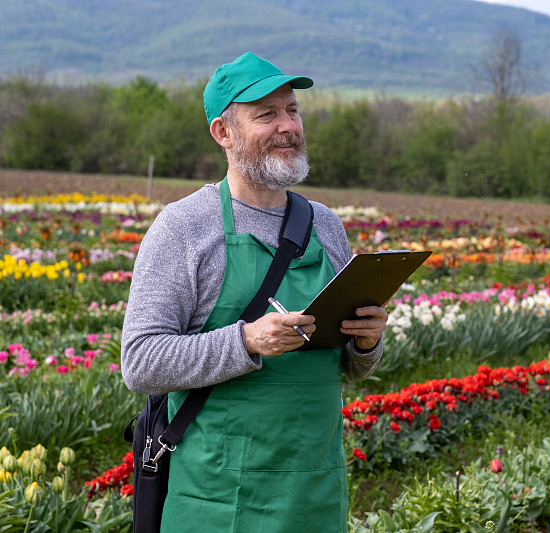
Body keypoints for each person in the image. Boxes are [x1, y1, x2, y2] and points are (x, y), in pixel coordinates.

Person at [121, 51, 388, 532]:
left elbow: (348, 368)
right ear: (224, 133)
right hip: (218, 500)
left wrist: (366, 341)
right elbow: (140, 363)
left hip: (315, 494)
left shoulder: (324, 224)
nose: (288, 126)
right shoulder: (184, 228)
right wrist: (245, 341)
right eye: (266, 114)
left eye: (292, 110)